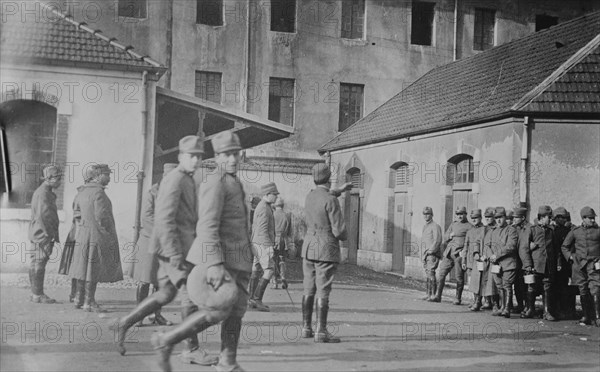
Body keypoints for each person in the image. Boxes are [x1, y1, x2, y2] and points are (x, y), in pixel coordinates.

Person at [152, 130, 254, 372]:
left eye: (235, 154)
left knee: (236, 311)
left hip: (238, 259)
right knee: (216, 310)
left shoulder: (233, 181)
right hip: (221, 260)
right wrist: (214, 264)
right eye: (226, 155)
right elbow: (207, 225)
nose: (232, 159)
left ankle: (227, 362)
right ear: (217, 157)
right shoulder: (214, 181)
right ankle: (166, 340)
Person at [111, 136, 216, 366]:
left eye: (199, 156)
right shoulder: (175, 181)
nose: (196, 161)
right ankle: (192, 349)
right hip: (173, 249)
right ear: (181, 157)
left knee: (165, 294)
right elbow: (164, 220)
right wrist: (175, 255)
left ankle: (124, 323)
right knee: (190, 296)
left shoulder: (187, 180)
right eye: (192, 156)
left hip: (177, 247)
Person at [301, 163, 347, 343]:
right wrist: (345, 234)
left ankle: (306, 328)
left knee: (308, 287)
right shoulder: (331, 200)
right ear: (329, 178)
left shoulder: (309, 196)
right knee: (323, 289)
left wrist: (337, 191)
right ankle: (321, 331)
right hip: (326, 249)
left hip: (309, 246)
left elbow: (323, 197)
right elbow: (339, 231)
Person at [127, 163, 178, 327]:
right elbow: (146, 218)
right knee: (145, 280)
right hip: (150, 242)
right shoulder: (152, 193)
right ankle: (139, 315)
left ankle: (157, 315)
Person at [69, 164, 123, 312]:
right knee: (93, 268)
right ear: (98, 176)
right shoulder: (99, 193)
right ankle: (89, 302)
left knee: (82, 268)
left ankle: (78, 299)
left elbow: (77, 214)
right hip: (96, 236)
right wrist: (107, 234)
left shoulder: (81, 192)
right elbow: (102, 217)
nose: (110, 178)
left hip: (83, 235)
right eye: (107, 174)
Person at [28, 165, 62, 304]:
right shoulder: (43, 193)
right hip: (43, 234)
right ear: (49, 179)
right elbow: (43, 216)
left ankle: (35, 293)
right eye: (58, 178)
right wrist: (49, 235)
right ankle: (38, 294)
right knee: (39, 262)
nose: (59, 181)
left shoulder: (45, 191)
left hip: (39, 233)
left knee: (36, 262)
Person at [561, 207, 600, 326]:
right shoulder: (575, 231)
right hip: (579, 265)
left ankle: (597, 317)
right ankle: (586, 316)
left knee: (596, 288)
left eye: (593, 218)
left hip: (594, 264)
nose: (593, 220)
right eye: (590, 218)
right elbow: (564, 246)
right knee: (583, 289)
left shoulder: (598, 231)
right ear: (583, 219)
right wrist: (571, 257)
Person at [520, 206, 558, 320]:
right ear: (541, 217)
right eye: (548, 217)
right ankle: (530, 309)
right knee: (531, 286)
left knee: (547, 286)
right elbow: (524, 249)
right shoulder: (532, 229)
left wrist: (557, 263)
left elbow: (556, 249)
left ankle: (546, 312)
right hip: (534, 265)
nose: (550, 220)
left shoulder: (551, 231)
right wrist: (528, 265)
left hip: (548, 265)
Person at [247, 182, 279, 312]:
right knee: (269, 270)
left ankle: (251, 299)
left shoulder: (262, 206)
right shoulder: (264, 208)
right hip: (262, 243)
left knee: (256, 269)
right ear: (267, 194)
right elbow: (262, 230)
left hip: (256, 242)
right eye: (274, 194)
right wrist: (269, 247)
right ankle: (257, 299)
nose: (276, 197)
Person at [430, 206, 471, 304]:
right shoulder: (453, 224)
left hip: (459, 254)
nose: (460, 216)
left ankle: (458, 298)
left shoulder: (469, 226)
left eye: (461, 214)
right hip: (448, 253)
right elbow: (445, 236)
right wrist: (450, 235)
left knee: (459, 277)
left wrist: (465, 251)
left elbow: (471, 241)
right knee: (441, 274)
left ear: (465, 214)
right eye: (458, 214)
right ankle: (438, 296)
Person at [487, 207, 519, 318]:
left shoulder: (511, 230)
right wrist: (490, 255)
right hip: (496, 264)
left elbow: (511, 246)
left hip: (508, 263)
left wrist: (497, 255)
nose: (498, 220)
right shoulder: (493, 231)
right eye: (496, 218)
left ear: (505, 217)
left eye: (500, 217)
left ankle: (507, 308)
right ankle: (502, 307)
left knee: (507, 285)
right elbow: (488, 245)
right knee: (499, 286)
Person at [553, 207, 576, 319]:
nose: (564, 220)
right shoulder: (555, 231)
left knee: (568, 287)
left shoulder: (569, 230)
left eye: (565, 217)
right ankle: (562, 310)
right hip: (560, 263)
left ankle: (569, 309)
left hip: (568, 262)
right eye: (562, 217)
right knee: (560, 287)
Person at [461, 209, 485, 310]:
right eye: (473, 218)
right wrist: (463, 260)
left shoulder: (485, 229)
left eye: (476, 218)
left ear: (480, 218)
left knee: (479, 281)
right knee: (472, 282)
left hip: (480, 259)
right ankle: (475, 300)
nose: (474, 220)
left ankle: (478, 302)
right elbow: (465, 246)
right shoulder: (470, 231)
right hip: (471, 260)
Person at [512, 207, 531, 315]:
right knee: (517, 285)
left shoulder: (529, 228)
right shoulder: (514, 228)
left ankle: (528, 306)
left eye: (516, 217)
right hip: (516, 260)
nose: (514, 219)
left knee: (526, 284)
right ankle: (520, 305)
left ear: (523, 218)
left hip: (525, 260)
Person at [421, 206, 442, 301]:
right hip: (426, 254)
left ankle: (433, 294)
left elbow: (438, 240)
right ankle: (428, 294)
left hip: (432, 254)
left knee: (431, 273)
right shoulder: (425, 226)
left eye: (428, 214)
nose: (426, 216)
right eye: (424, 214)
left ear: (432, 215)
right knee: (427, 274)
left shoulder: (435, 226)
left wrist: (431, 251)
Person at [272, 196, 292, 290]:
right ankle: (283, 277)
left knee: (274, 260)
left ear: (275, 205)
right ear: (283, 205)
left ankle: (275, 281)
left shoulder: (272, 215)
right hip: (283, 240)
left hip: (274, 239)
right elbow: (289, 232)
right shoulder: (287, 215)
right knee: (282, 259)